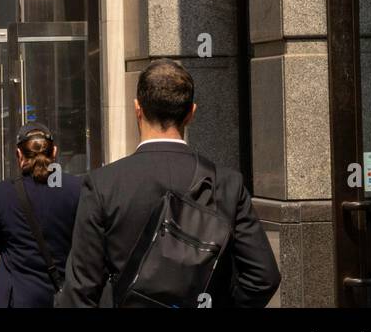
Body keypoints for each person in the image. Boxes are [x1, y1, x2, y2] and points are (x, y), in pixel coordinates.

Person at [58, 59, 281, 308]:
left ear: (137, 109)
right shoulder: (228, 184)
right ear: (191, 114)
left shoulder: (103, 184)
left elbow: (79, 292)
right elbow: (264, 277)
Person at [0, 122, 82, 308]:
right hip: (63, 294)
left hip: (16, 296)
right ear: (54, 152)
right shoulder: (77, 189)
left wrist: (14, 246)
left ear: (19, 155)